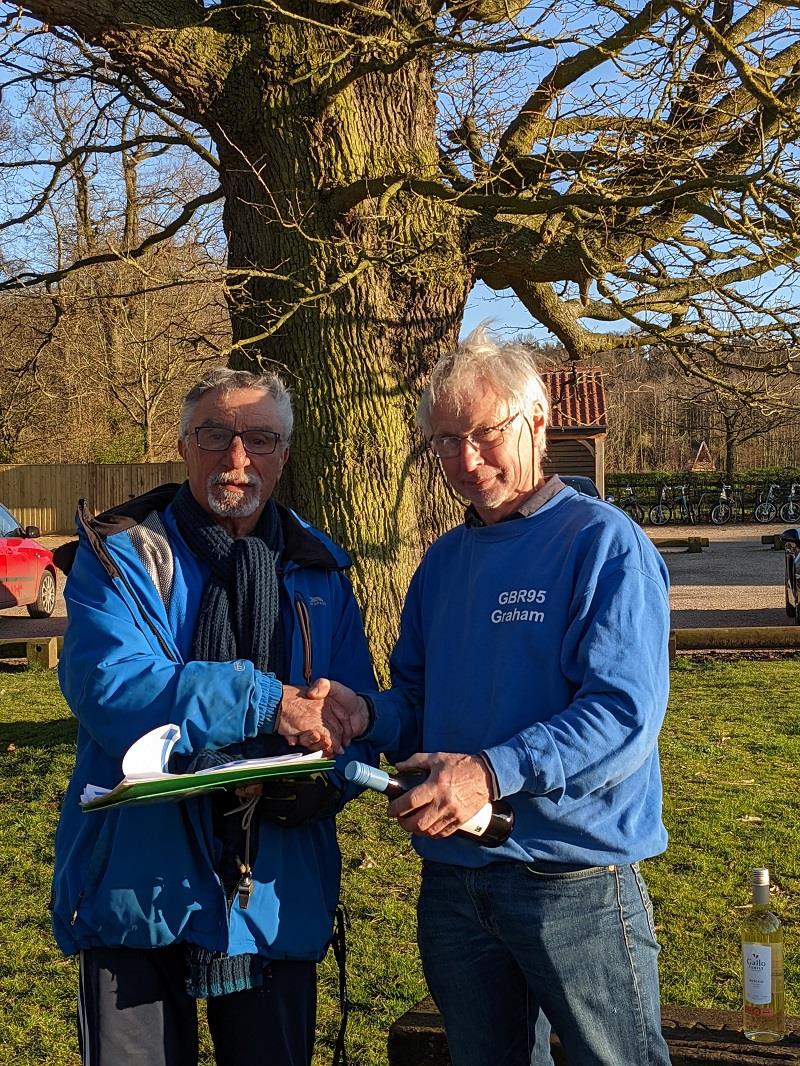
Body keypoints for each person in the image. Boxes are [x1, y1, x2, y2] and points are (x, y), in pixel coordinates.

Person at [325, 326, 673, 1066]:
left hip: (570, 877)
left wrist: (488, 771)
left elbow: (622, 714)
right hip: (456, 881)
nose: (466, 457)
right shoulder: (445, 561)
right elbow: (418, 700)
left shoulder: (602, 544)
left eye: (485, 433)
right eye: (447, 441)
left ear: (538, 423)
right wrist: (366, 713)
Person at [51, 367, 376, 1066]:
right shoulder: (123, 556)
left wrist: (323, 778)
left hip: (272, 890)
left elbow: (356, 719)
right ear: (183, 445)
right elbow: (110, 688)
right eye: (214, 435)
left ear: (284, 455)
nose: (237, 458)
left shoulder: (318, 572)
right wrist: (264, 702)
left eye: (260, 439)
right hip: (136, 887)